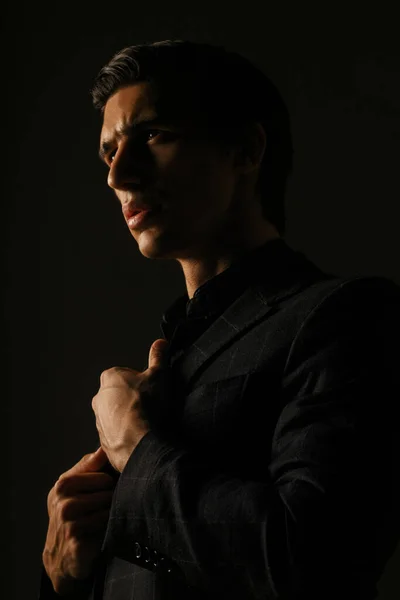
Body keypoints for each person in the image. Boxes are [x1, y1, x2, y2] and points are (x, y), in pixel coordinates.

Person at [39, 40, 400, 599]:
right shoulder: (173, 357)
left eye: (153, 135)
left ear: (246, 149)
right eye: (109, 153)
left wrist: (134, 447)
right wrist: (64, 576)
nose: (118, 175)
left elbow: (316, 564)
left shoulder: (345, 317)